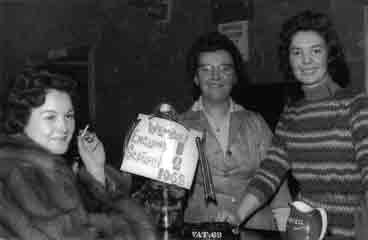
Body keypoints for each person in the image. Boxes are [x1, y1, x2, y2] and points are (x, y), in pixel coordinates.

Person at [218, 10, 368, 240]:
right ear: (288, 58)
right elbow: (269, 173)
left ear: (329, 55)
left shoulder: (356, 105)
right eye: (297, 52)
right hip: (302, 231)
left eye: (315, 51)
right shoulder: (291, 115)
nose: (306, 61)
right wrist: (237, 215)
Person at [0, 70, 157, 240]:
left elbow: (82, 220)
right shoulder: (21, 175)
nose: (64, 127)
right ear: (22, 120)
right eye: (50, 117)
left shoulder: (45, 168)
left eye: (69, 116)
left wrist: (95, 169)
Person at [180, 31, 291, 232]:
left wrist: (288, 233)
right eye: (206, 69)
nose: (215, 76)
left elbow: (279, 188)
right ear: (196, 78)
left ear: (235, 77)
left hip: (258, 231)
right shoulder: (180, 126)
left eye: (224, 69)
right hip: (202, 232)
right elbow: (166, 195)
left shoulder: (256, 123)